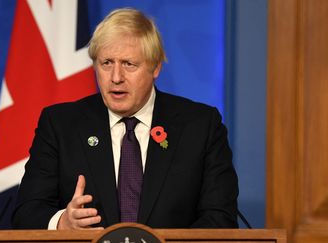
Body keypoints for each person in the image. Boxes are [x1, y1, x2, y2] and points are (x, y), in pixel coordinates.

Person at [12, 8, 238, 230]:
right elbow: (27, 213)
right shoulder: (61, 125)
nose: (116, 78)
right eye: (106, 63)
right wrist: (63, 223)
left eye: (129, 64)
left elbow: (220, 219)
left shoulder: (199, 126)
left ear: (155, 66)